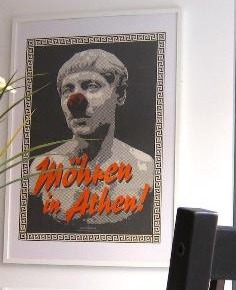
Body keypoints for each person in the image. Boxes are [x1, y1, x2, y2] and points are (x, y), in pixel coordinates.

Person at [30, 49, 154, 226]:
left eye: (91, 86)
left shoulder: (144, 167)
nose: (75, 101)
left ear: (120, 95)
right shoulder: (41, 168)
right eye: (67, 90)